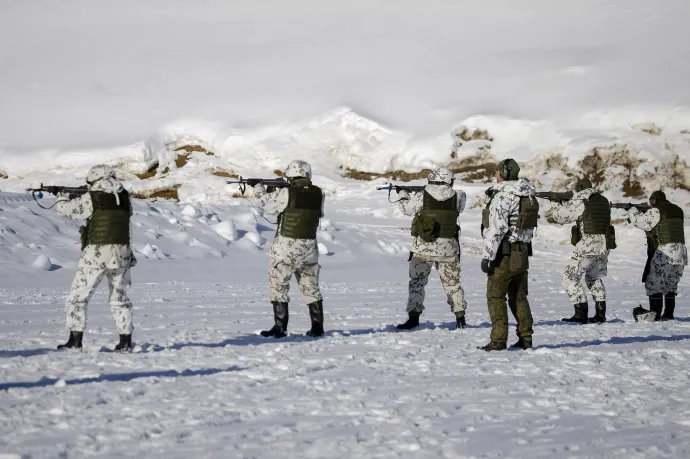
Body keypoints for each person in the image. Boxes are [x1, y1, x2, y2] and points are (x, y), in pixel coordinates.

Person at [55, 165, 136, 352]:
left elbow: (67, 211)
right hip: (122, 254)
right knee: (119, 299)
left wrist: (61, 196)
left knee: (77, 297)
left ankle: (75, 341)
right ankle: (125, 342)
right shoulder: (125, 197)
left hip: (97, 255)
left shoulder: (93, 196)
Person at [253, 160, 325, 338]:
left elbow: (265, 206)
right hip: (309, 248)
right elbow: (319, 214)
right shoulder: (319, 193)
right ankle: (317, 327)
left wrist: (257, 189)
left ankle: (280, 327)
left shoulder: (286, 192)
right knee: (311, 287)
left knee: (279, 285)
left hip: (286, 248)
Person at [395, 167, 468, 330]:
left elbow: (406, 209)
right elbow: (460, 208)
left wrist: (402, 194)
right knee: (453, 285)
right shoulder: (459, 196)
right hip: (448, 250)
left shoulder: (421, 196)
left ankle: (413, 318)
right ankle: (460, 318)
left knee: (417, 283)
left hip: (423, 250)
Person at [479, 159, 538, 351]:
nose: (495, 175)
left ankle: (498, 340)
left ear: (504, 173)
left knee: (495, 296)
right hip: (522, 252)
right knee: (519, 296)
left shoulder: (504, 196)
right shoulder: (529, 195)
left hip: (503, 253)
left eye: (497, 172)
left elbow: (496, 229)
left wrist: (487, 256)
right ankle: (526, 338)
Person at [551, 178, 613, 324]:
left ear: (579, 188)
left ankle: (580, 315)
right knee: (594, 278)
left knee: (570, 278)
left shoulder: (582, 200)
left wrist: (554, 202)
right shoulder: (603, 201)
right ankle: (600, 314)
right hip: (604, 246)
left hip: (588, 246)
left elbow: (561, 217)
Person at [628, 191, 687, 321]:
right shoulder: (678, 210)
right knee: (671, 284)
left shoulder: (656, 211)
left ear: (654, 200)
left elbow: (640, 222)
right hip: (681, 251)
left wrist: (632, 210)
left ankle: (655, 314)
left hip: (665, 251)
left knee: (654, 283)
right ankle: (669, 314)